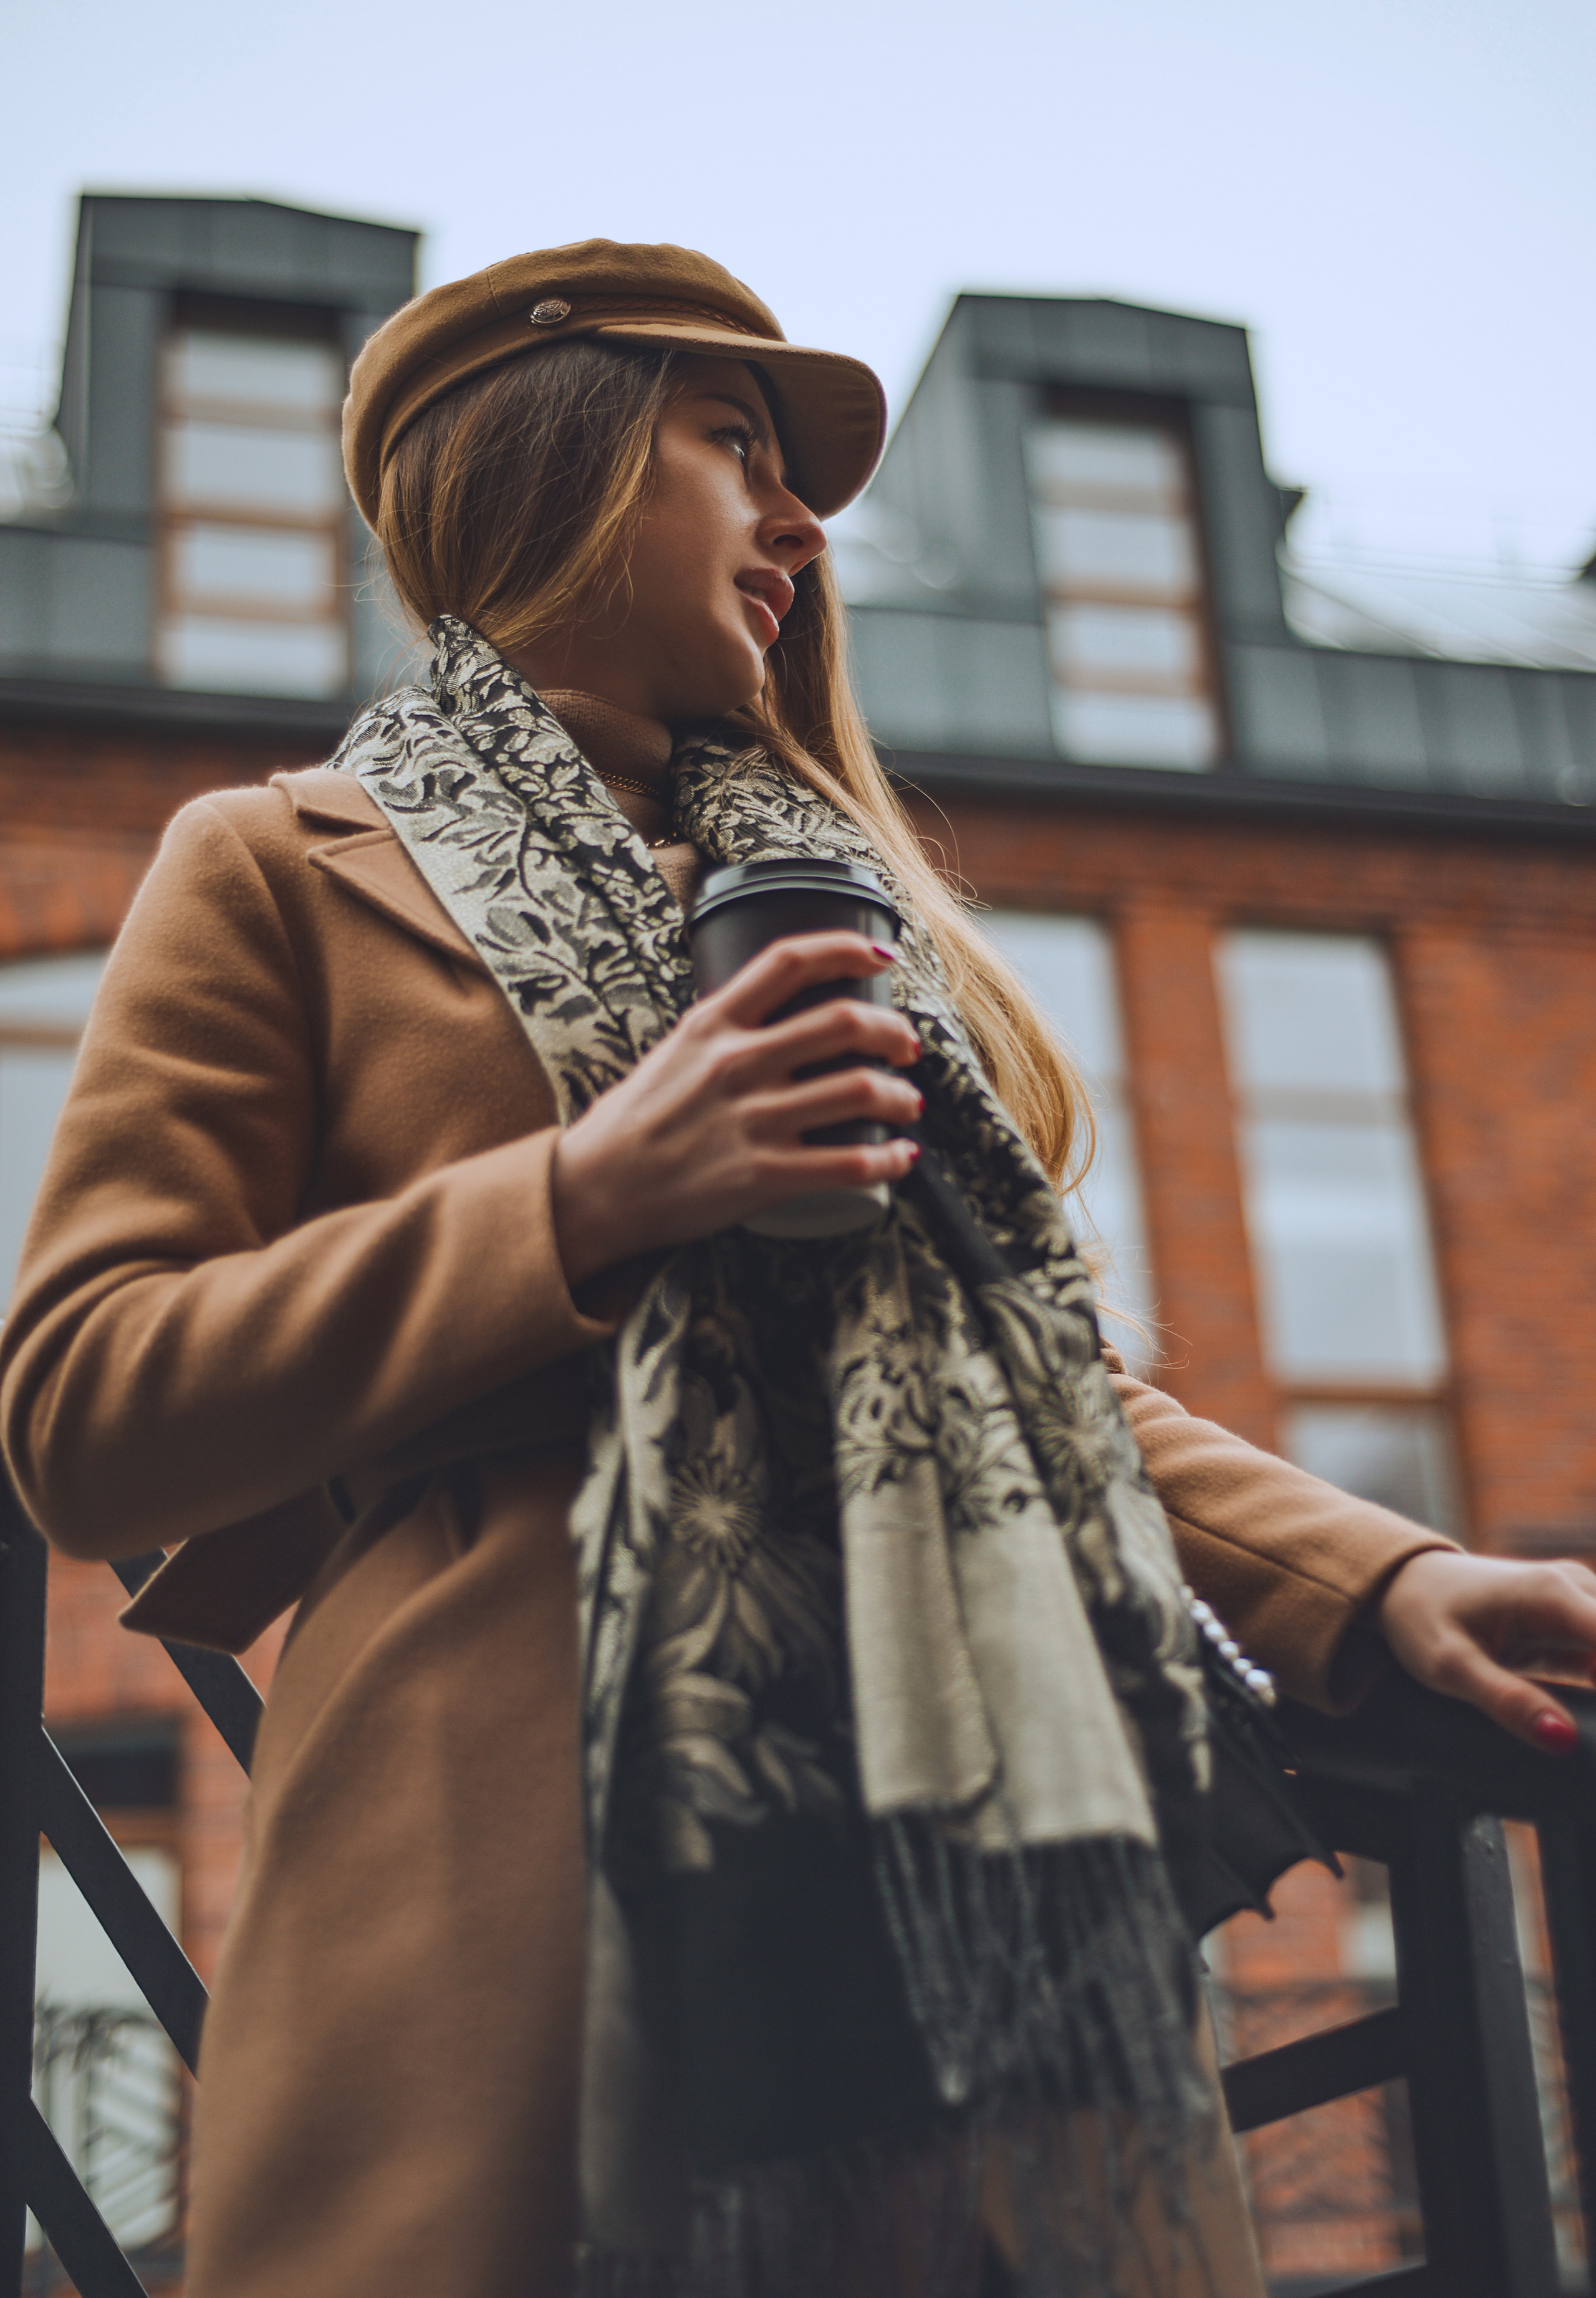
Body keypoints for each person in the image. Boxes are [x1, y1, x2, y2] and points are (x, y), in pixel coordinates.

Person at [4, 239, 1595, 2298]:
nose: (800, 517)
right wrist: (585, 1201)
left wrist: (1378, 1580)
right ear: (549, 459)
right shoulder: (272, 862)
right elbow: (79, 1405)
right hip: (486, 1863)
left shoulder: (852, 910)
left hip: (963, 1880)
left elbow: (1031, 1388)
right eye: (734, 444)